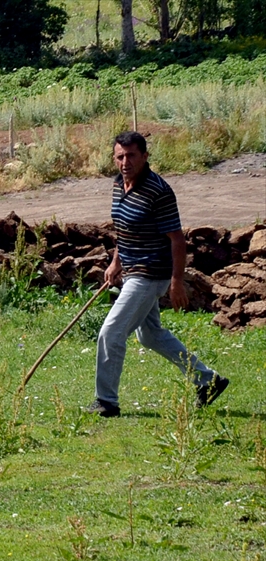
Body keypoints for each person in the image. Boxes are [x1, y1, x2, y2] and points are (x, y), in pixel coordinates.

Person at [87, 131, 228, 418]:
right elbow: (125, 230)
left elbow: (177, 239)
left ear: (145, 156)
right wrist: (116, 262)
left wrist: (176, 282)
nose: (125, 161)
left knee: (111, 332)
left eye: (131, 155)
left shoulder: (158, 191)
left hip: (150, 274)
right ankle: (208, 380)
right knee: (149, 336)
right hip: (131, 269)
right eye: (120, 156)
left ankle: (107, 402)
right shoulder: (118, 185)